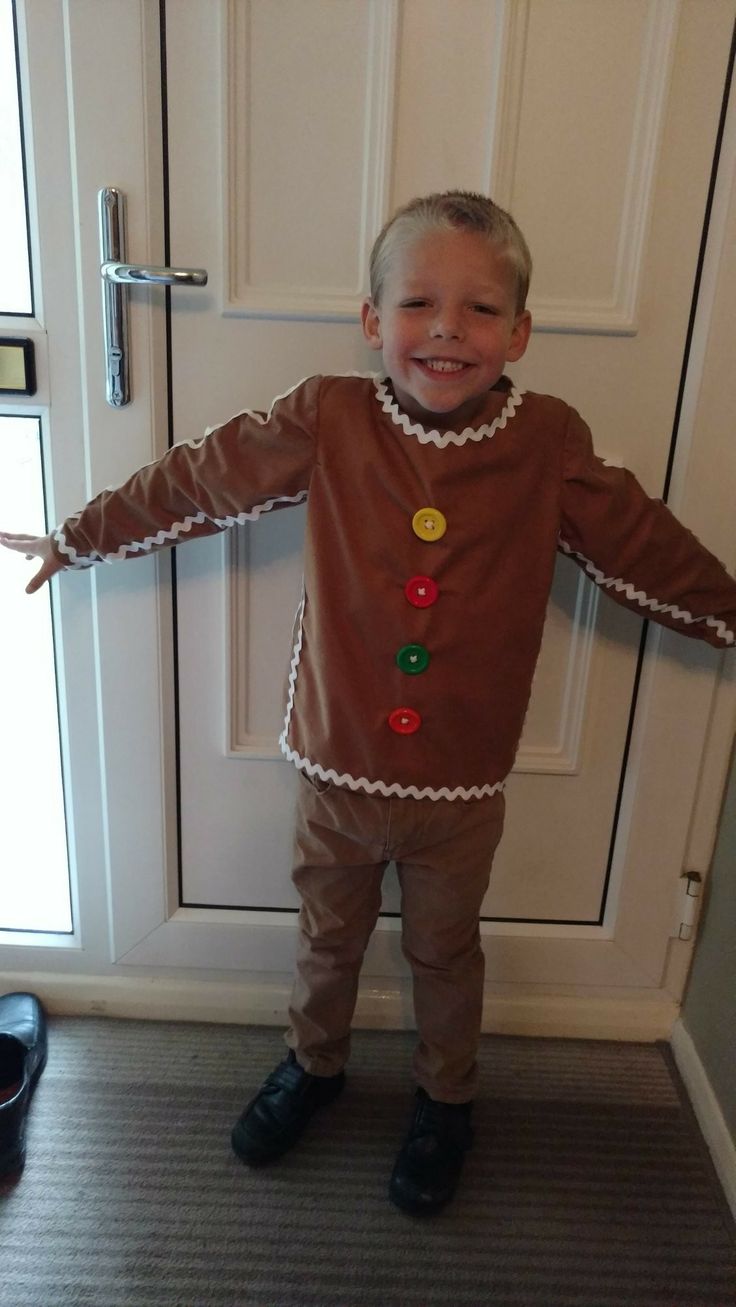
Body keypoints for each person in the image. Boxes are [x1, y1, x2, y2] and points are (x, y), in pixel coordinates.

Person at [2, 191, 735, 1216]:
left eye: (480, 310)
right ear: (371, 318)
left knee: (444, 944)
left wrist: (727, 612)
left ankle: (448, 1097)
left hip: (460, 782)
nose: (445, 328)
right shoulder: (327, 415)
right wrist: (78, 536)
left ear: (518, 332)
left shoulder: (547, 440)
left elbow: (642, 545)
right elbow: (202, 480)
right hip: (336, 765)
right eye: (420, 302)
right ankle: (315, 1062)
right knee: (326, 932)